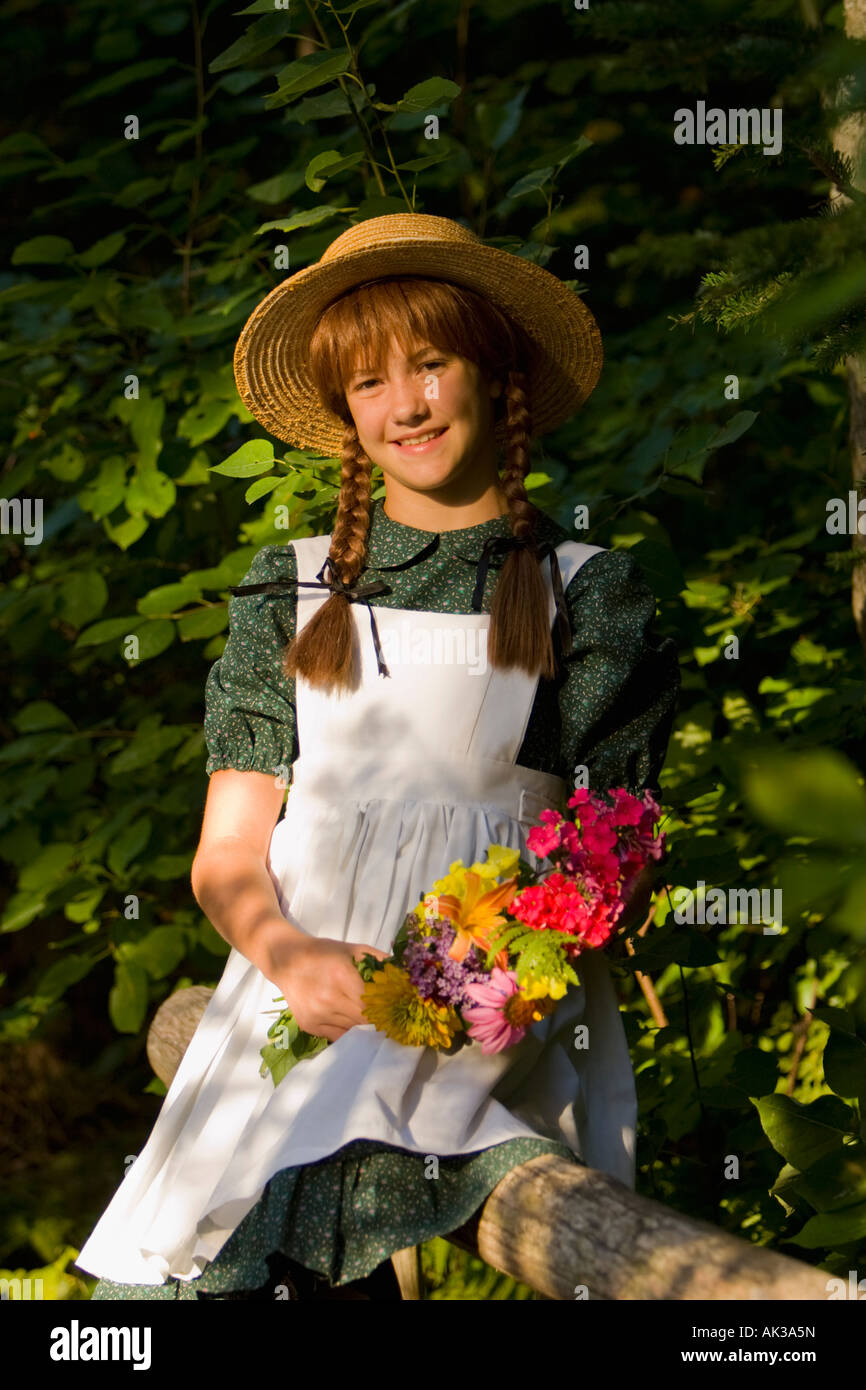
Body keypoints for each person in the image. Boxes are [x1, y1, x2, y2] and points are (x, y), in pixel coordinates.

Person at [76, 213, 680, 1301]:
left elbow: (617, 849)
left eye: (431, 364)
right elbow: (226, 851)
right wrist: (290, 954)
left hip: (492, 1007)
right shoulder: (292, 586)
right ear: (344, 414)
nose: (403, 404)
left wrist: (480, 977)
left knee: (340, 1166)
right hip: (293, 986)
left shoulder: (586, 591)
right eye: (367, 383)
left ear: (495, 374)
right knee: (198, 1259)